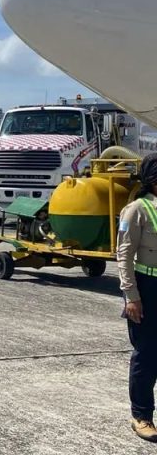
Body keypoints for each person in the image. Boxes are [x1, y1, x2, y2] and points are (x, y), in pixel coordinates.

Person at [118, 153, 157, 443]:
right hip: (147, 289)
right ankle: (141, 416)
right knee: (146, 355)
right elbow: (124, 255)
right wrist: (131, 296)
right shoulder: (136, 209)